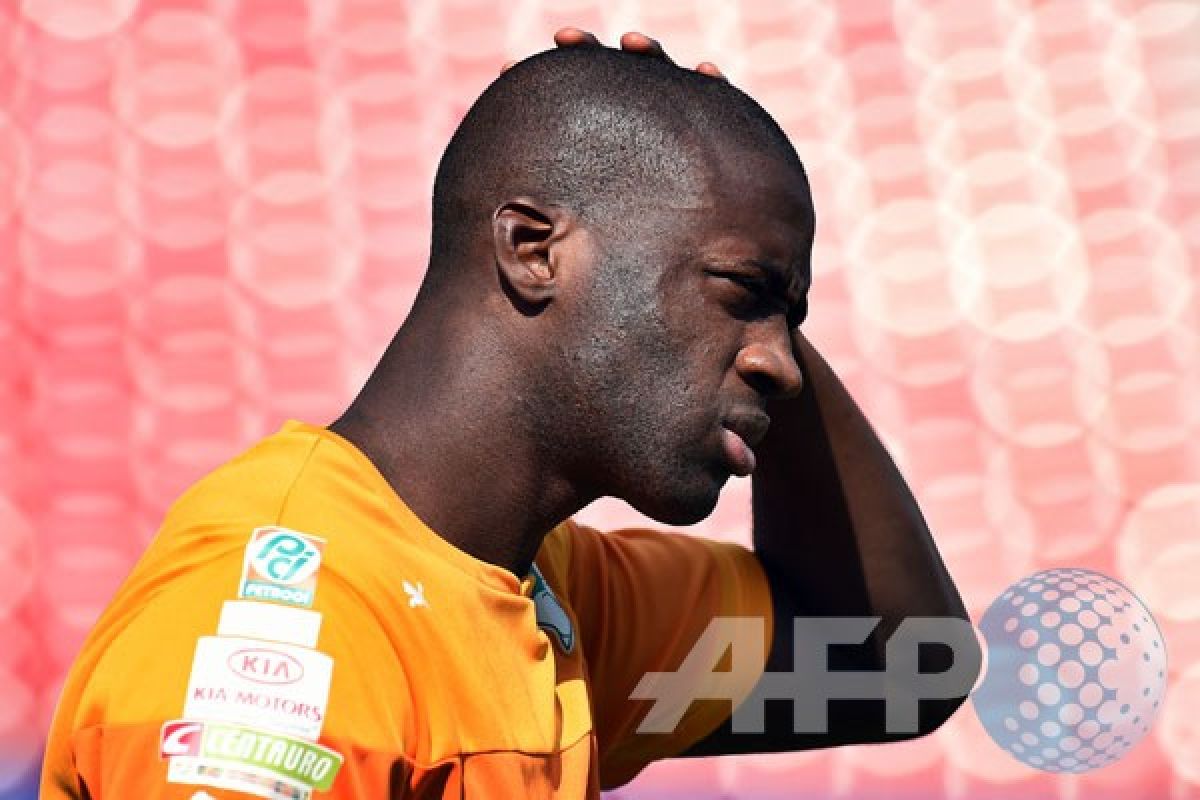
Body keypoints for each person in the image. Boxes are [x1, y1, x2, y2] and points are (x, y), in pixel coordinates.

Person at [40, 29, 977, 800]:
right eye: (740, 291)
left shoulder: (553, 599)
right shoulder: (282, 634)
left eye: (792, 321)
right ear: (534, 249)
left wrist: (732, 196)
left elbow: (901, 664)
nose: (779, 363)